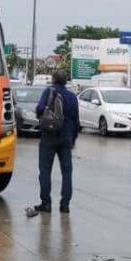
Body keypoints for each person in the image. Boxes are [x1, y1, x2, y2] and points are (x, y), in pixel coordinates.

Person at [27, 70, 79, 215]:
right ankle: (65, 205)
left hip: (48, 136)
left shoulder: (48, 92)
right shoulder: (72, 97)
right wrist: (73, 139)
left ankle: (46, 203)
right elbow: (76, 121)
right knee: (67, 172)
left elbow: (39, 109)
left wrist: (41, 114)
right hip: (66, 138)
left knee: (45, 170)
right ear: (66, 81)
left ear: (54, 80)